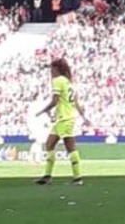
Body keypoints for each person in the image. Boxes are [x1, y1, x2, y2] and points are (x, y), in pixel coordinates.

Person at [35, 57, 88, 185]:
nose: (50, 72)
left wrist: (43, 110)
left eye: (52, 69)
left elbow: (55, 100)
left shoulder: (58, 81)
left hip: (65, 118)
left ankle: (77, 177)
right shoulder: (69, 83)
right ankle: (48, 175)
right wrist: (83, 116)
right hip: (63, 119)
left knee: (70, 147)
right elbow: (76, 103)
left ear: (57, 69)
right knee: (49, 144)